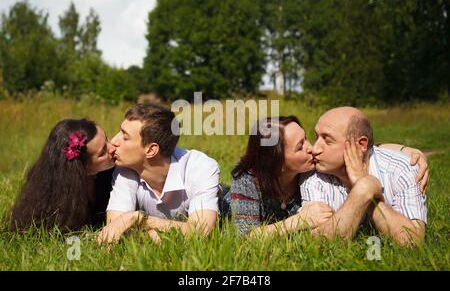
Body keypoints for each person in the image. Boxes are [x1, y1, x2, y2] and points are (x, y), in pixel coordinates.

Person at [226, 115, 429, 237]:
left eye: (306, 139)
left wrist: (405, 150)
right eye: (300, 147)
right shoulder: (248, 179)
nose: (312, 148)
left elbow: (360, 150)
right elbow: (246, 237)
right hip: (223, 205)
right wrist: (297, 221)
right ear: (277, 161)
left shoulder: (311, 168)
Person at [301, 107, 428, 246]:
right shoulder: (314, 177)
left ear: (361, 144)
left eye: (327, 140)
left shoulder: (401, 169)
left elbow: (412, 242)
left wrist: (364, 187)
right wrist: (364, 189)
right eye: (316, 137)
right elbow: (320, 243)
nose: (315, 149)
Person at [97, 103, 221, 244]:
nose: (113, 141)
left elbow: (201, 232)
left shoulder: (201, 167)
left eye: (125, 137)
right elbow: (115, 230)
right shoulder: (125, 167)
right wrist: (157, 235)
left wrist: (139, 219)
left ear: (151, 150)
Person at [10, 119, 116, 232]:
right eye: (103, 152)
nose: (113, 147)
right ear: (82, 167)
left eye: (107, 139)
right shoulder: (56, 203)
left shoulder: (116, 174)